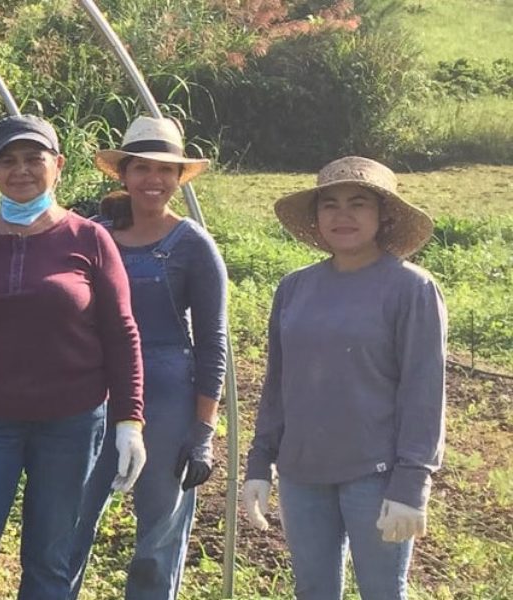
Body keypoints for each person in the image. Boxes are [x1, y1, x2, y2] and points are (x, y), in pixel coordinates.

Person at [0, 114, 146, 599]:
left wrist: (130, 420)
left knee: (49, 560)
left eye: (33, 158)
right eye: (8, 161)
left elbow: (122, 331)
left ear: (57, 165)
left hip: (71, 422)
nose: (21, 170)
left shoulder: (88, 239)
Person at [241, 156, 445, 600]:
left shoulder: (411, 289)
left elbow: (423, 390)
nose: (343, 215)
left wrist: (412, 482)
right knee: (312, 590)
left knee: (382, 591)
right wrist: (260, 463)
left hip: (374, 474)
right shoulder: (294, 288)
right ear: (316, 218)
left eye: (359, 203)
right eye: (329, 204)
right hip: (302, 473)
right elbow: (277, 384)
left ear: (383, 215)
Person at [67, 116, 228, 600]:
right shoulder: (93, 235)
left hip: (168, 394)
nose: (153, 180)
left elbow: (213, 342)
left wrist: (202, 432)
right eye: (142, 169)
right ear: (124, 174)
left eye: (165, 170)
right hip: (95, 389)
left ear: (179, 179)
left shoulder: (193, 245)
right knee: (69, 519)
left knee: (158, 534)